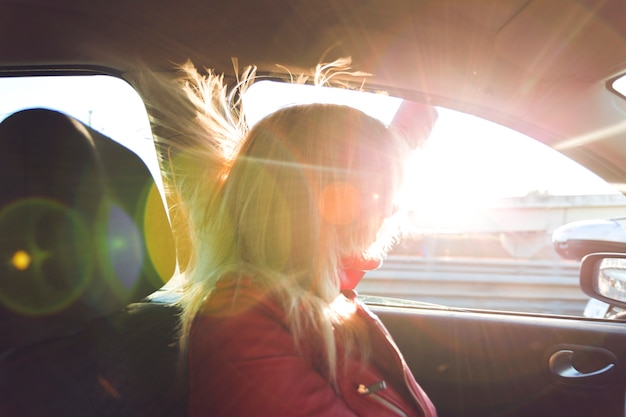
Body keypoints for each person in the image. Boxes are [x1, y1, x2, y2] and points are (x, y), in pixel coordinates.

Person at [148, 61, 438, 417]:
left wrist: (421, 109)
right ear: (322, 200)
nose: (392, 208)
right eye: (379, 189)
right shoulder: (242, 325)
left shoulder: (324, 295)